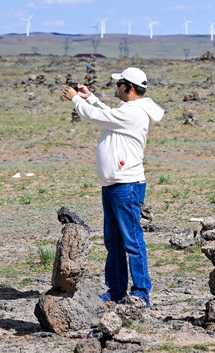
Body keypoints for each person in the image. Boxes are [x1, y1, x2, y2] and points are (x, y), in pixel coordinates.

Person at [62, 67, 165, 307]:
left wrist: (76, 99)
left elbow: (99, 117)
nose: (116, 87)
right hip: (114, 184)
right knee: (114, 241)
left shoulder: (134, 112)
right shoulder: (129, 110)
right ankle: (117, 291)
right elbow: (108, 114)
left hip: (125, 185)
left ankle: (141, 293)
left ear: (129, 87)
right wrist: (91, 98)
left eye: (119, 83)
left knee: (132, 241)